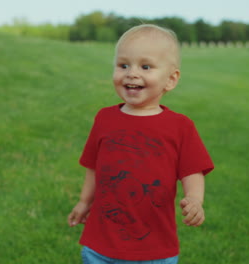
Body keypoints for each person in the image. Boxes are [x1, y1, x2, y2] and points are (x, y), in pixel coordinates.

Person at [67, 24, 214, 263]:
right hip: (100, 246)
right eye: (123, 65)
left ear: (171, 79)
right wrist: (85, 202)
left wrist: (195, 199)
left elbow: (192, 170)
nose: (131, 73)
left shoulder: (180, 126)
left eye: (145, 67)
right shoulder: (105, 118)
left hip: (154, 249)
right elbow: (94, 167)